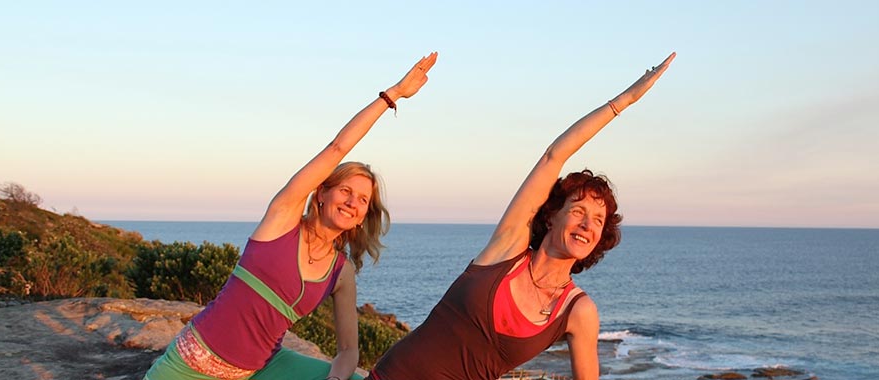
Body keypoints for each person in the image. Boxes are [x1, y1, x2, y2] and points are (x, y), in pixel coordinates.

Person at [367, 52, 675, 380]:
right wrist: (624, 101)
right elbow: (554, 156)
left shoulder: (577, 311)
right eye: (579, 211)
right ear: (551, 216)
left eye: (598, 220)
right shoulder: (509, 248)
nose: (587, 224)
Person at [144, 52, 438, 380]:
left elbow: (348, 351)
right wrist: (392, 95)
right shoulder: (282, 219)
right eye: (345, 191)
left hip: (262, 370)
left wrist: (335, 379)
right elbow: (336, 149)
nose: (352, 202)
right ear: (322, 194)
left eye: (362, 200)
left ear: (362, 218)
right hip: (192, 366)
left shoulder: (341, 273)